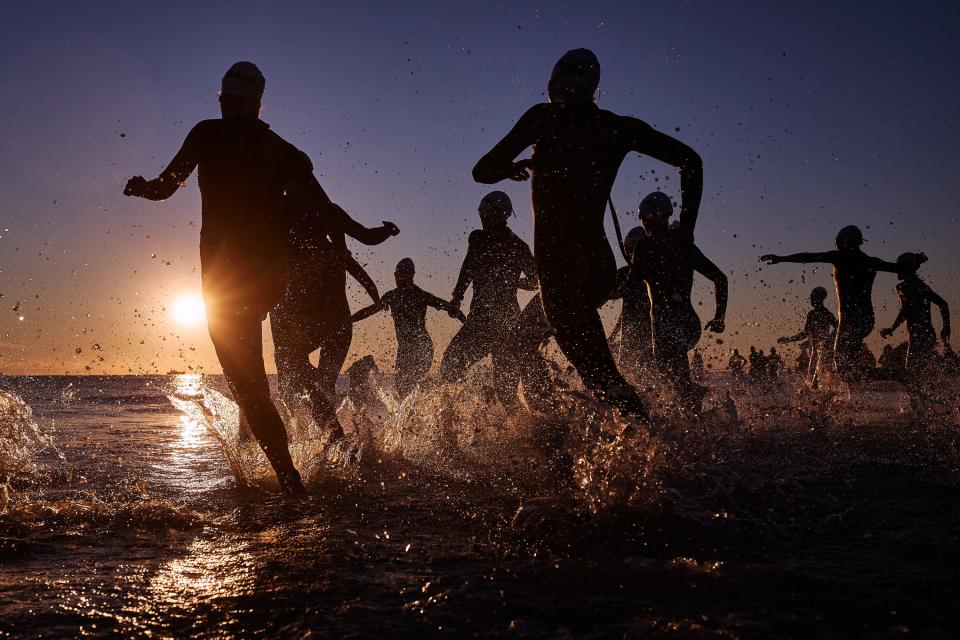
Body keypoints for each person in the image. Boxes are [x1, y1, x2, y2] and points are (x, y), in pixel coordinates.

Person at [123, 62, 399, 494]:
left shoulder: (206, 135)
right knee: (280, 369)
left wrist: (141, 187)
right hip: (271, 278)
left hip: (224, 281)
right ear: (258, 103)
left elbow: (165, 186)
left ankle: (288, 476)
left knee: (250, 385)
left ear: (222, 98)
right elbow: (324, 208)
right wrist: (368, 234)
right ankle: (323, 440)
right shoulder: (282, 150)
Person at [472, 48, 703, 417]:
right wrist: (687, 230)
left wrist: (509, 168)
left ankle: (658, 450)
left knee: (602, 380)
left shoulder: (543, 118)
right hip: (598, 266)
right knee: (537, 341)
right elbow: (690, 161)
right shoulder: (617, 127)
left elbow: (481, 170)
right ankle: (562, 427)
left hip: (560, 264)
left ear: (553, 84)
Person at [271, 227, 380, 440]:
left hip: (320, 327)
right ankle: (339, 439)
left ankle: (332, 438)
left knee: (307, 380)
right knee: (322, 385)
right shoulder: (336, 251)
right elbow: (365, 278)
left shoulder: (301, 251)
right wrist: (376, 300)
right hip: (339, 328)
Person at [627, 192, 727, 412]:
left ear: (653, 216)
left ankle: (692, 414)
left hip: (665, 324)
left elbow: (631, 285)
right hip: (689, 323)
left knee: (669, 373)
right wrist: (719, 316)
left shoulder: (644, 248)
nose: (641, 220)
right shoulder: (684, 246)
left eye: (643, 214)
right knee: (672, 376)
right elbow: (720, 278)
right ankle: (692, 414)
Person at [760, 225, 897, 380]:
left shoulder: (840, 257)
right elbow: (899, 268)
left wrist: (782, 258)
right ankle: (847, 396)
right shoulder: (871, 261)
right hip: (867, 319)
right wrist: (915, 260)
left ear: (843, 242)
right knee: (849, 363)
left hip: (849, 319)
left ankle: (894, 375)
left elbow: (809, 257)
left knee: (842, 365)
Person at [438, 192, 537, 405]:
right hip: (511, 320)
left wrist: (456, 298)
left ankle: (454, 423)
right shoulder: (519, 246)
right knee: (506, 393)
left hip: (484, 319)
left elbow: (468, 268)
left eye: (482, 214)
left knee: (449, 367)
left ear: (486, 214)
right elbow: (537, 282)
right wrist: (514, 282)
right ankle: (528, 433)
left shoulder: (479, 238)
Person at [353, 258, 466, 398]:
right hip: (412, 348)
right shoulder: (396, 296)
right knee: (406, 389)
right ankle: (435, 406)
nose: (398, 277)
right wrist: (350, 320)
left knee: (407, 389)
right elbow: (371, 310)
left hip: (421, 347)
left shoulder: (413, 295)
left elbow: (446, 306)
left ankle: (439, 403)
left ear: (411, 275)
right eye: (397, 274)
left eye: (401, 273)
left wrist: (464, 320)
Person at [880, 252, 951, 372]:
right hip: (927, 333)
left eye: (899, 267)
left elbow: (906, 310)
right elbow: (943, 304)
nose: (896, 270)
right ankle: (937, 390)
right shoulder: (922, 286)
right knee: (921, 372)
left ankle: (935, 390)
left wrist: (892, 328)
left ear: (906, 268)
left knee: (912, 372)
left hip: (919, 334)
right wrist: (946, 327)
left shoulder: (903, 287)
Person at [610, 226, 654, 377]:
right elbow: (626, 312)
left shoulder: (627, 274)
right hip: (653, 337)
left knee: (629, 375)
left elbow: (607, 293)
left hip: (636, 339)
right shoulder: (660, 272)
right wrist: (614, 334)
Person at [777, 286, 837, 387]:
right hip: (815, 353)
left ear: (818, 298)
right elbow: (806, 333)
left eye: (812, 297)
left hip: (822, 353)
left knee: (815, 383)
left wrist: (829, 340)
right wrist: (789, 339)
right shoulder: (815, 314)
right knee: (812, 383)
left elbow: (838, 328)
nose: (811, 299)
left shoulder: (824, 314)